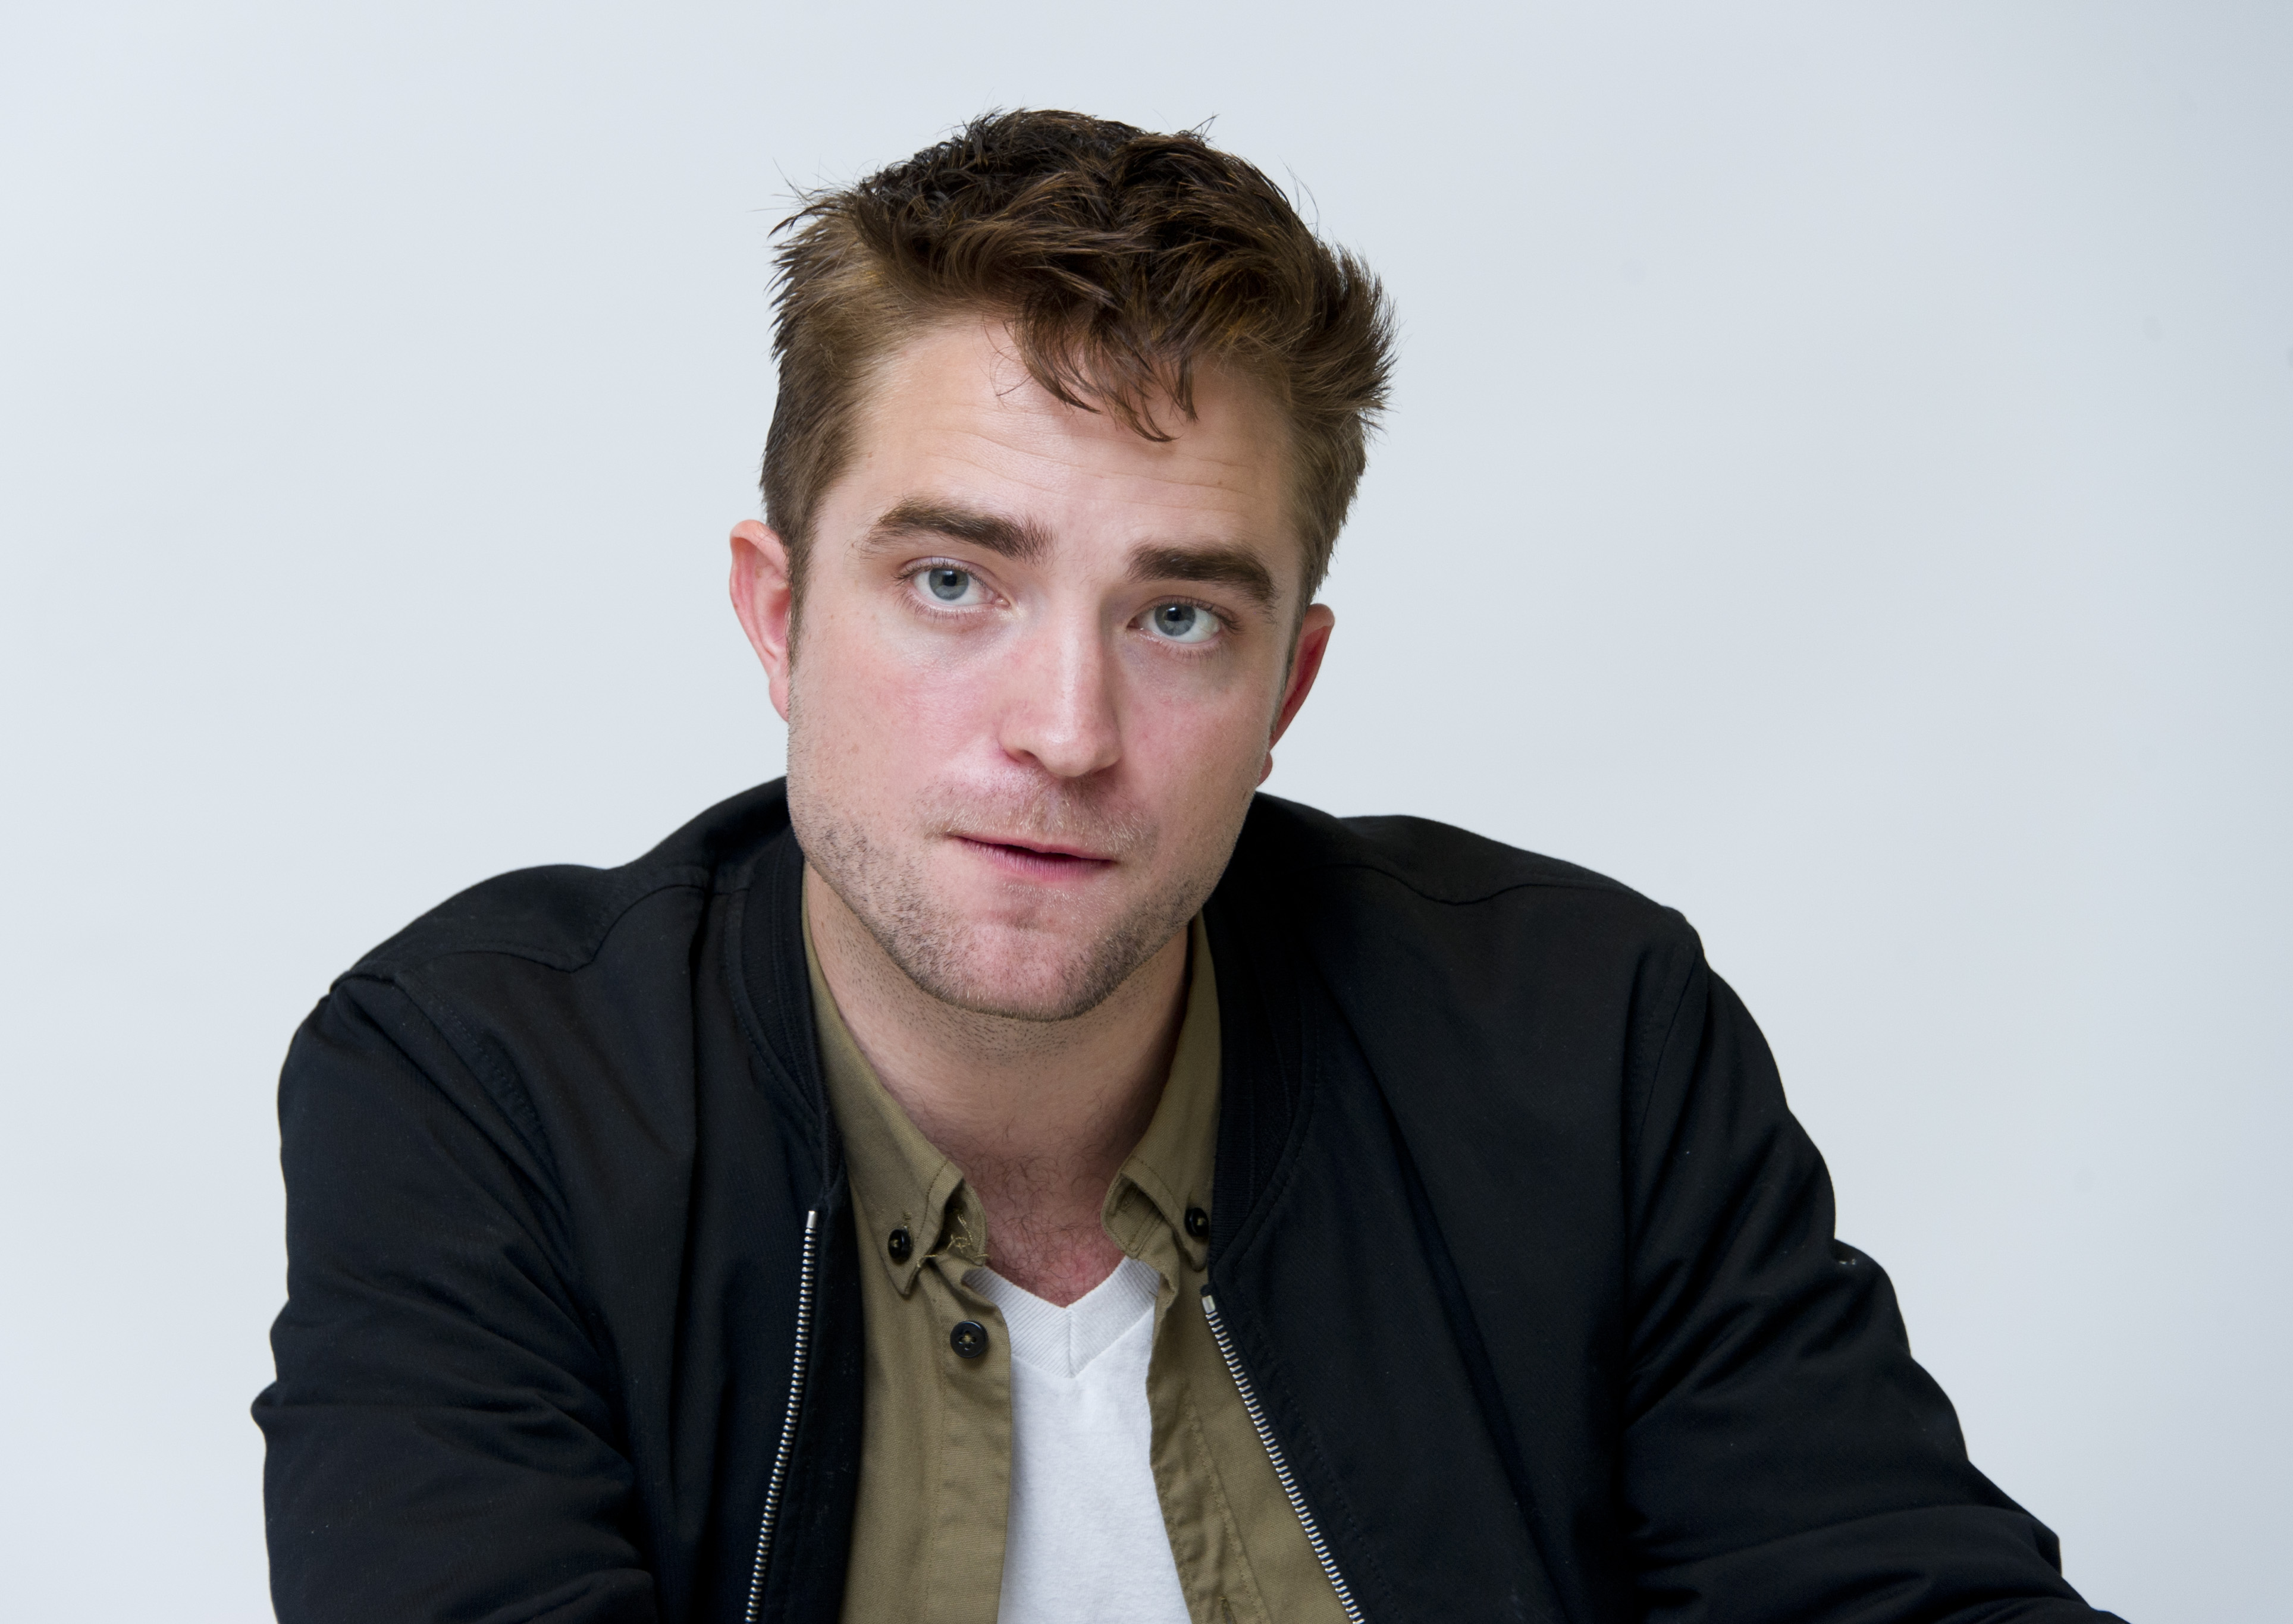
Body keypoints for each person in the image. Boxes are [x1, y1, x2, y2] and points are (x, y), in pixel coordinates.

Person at [254, 110, 2120, 1624]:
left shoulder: (1586, 1044)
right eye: (953, 580)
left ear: (1288, 683)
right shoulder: (485, 1092)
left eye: (1176, 616)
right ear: (779, 615)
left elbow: (1893, 1588)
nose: (1066, 729)